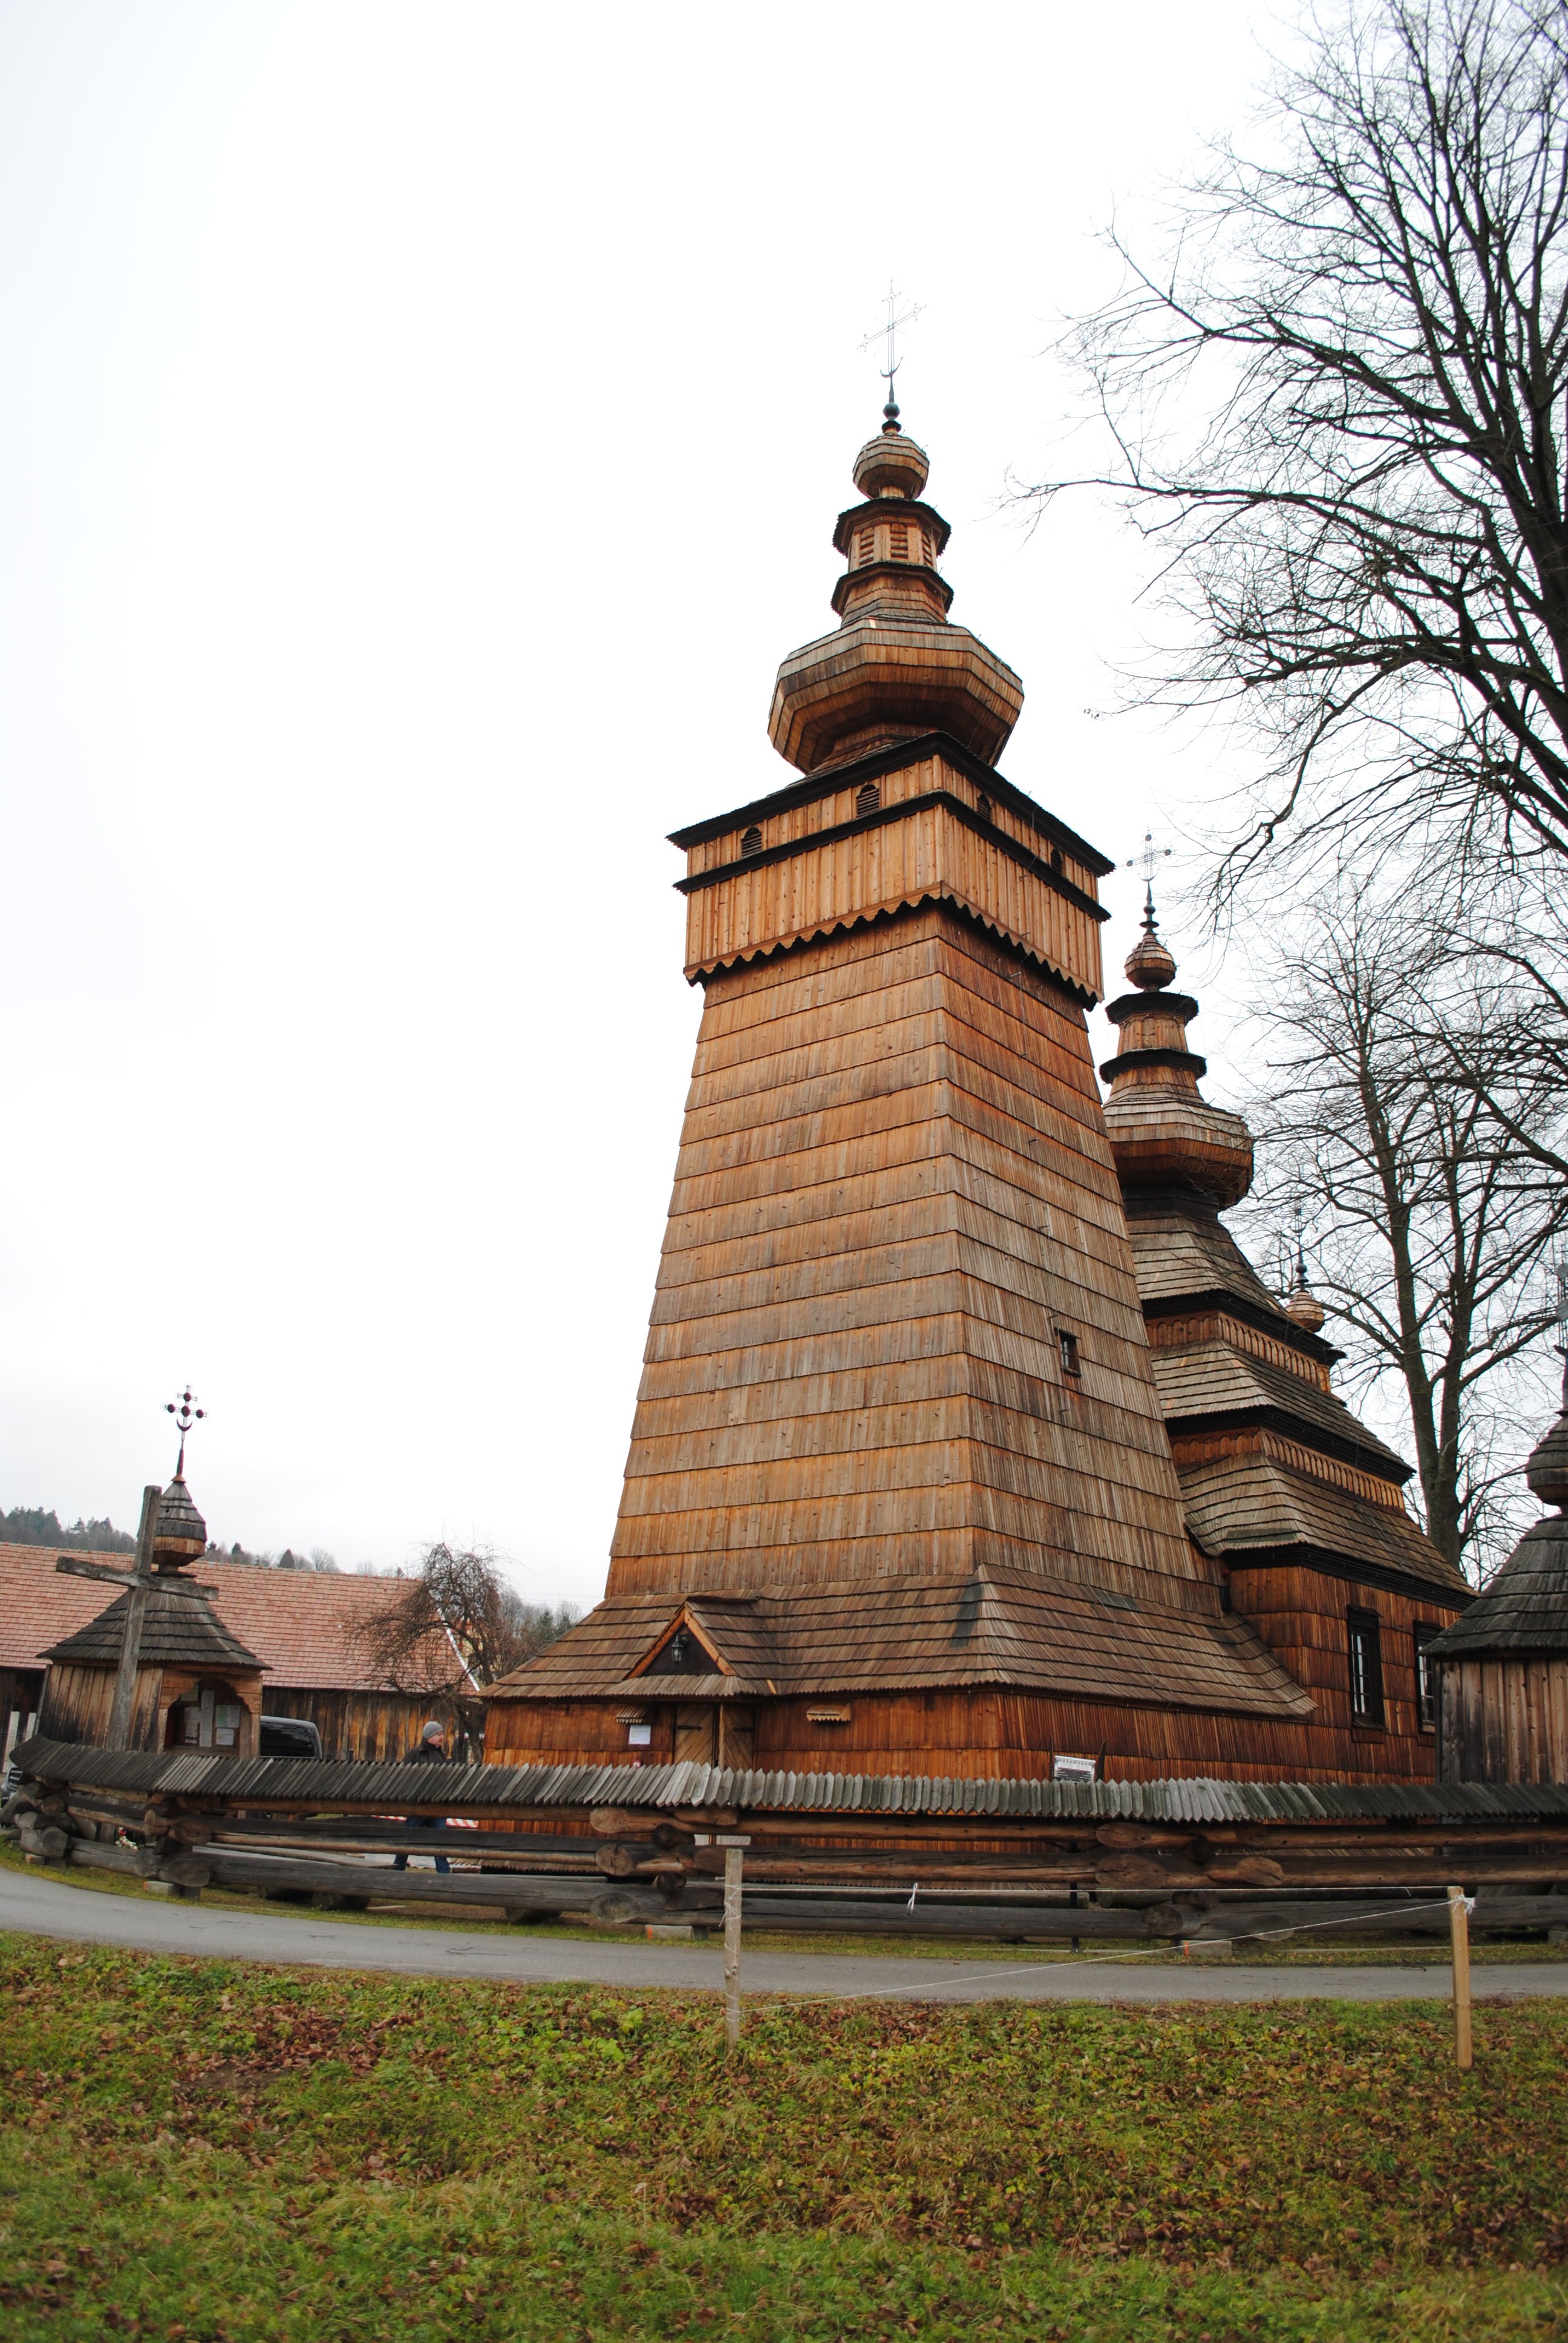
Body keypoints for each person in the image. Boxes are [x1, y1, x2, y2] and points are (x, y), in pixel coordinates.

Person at [393, 1719, 452, 1873]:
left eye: (442, 1734)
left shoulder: (442, 1756)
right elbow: (403, 1777)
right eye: (439, 1734)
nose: (442, 1738)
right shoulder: (414, 1754)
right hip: (418, 1807)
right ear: (429, 1736)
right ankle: (397, 1869)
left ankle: (444, 1874)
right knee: (408, 1839)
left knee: (440, 1842)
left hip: (437, 1808)